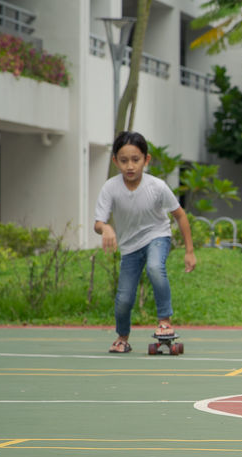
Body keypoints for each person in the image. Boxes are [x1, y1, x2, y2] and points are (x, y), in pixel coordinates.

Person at [95, 131, 196, 354]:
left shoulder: (157, 186)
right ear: (115, 161)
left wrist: (189, 251)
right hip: (130, 247)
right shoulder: (110, 188)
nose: (130, 166)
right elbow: (98, 223)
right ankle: (122, 338)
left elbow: (180, 215)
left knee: (154, 267)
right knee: (123, 299)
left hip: (157, 236)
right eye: (123, 161)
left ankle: (165, 321)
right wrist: (106, 228)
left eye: (135, 160)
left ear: (146, 160)